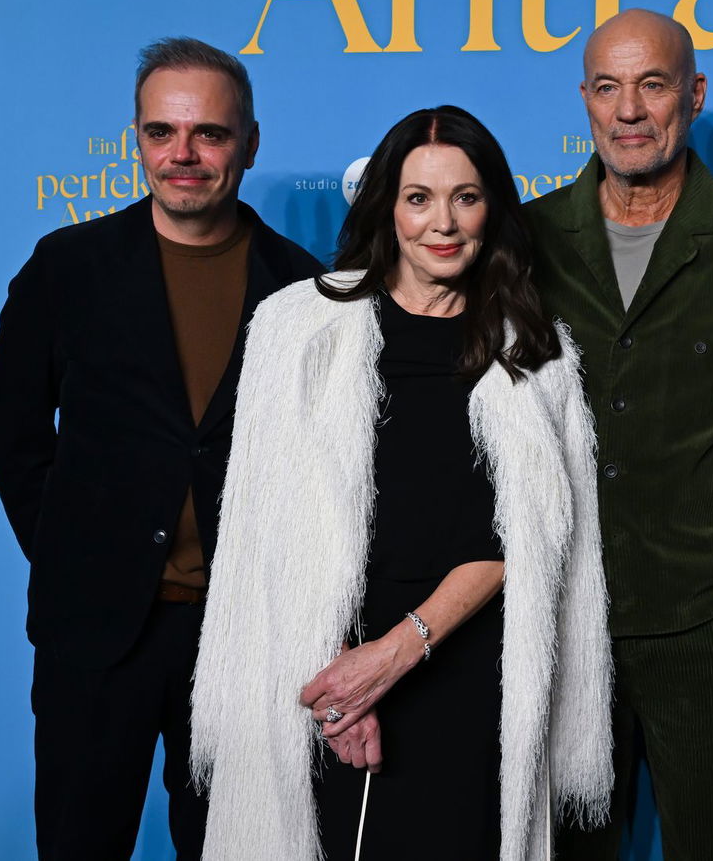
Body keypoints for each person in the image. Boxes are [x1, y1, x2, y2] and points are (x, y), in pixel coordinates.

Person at [188, 106, 613, 861]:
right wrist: (344, 683)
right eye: (419, 198)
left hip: (470, 670)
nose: (442, 223)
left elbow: (533, 539)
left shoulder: (537, 353)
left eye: (465, 197)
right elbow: (264, 526)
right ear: (388, 206)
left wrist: (394, 654)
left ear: (493, 209)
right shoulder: (297, 328)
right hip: (318, 667)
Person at [0, 37, 324, 859]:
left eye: (209, 133)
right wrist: (73, 553)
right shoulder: (67, 266)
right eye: (161, 131)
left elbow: (322, 468)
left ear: (249, 143)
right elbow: (12, 432)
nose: (183, 154)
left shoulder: (305, 288)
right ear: (136, 138)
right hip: (95, 632)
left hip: (244, 640)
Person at [525, 9, 713, 859]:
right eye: (608, 87)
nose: (629, 110)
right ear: (585, 98)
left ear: (693, 95)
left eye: (652, 85)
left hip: (710, 625)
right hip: (562, 626)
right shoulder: (528, 240)